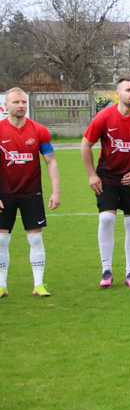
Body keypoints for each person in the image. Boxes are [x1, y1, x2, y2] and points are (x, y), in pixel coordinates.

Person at [81, 78, 130, 288]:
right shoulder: (105, 116)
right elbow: (86, 144)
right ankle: (106, 270)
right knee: (107, 220)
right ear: (118, 94)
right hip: (107, 178)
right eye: (129, 90)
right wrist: (92, 175)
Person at [0, 88, 61, 298]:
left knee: (35, 239)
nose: (21, 106)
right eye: (16, 102)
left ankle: (39, 284)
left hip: (32, 193)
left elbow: (50, 160)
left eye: (24, 102)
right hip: (4, 194)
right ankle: (1, 285)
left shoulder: (39, 130)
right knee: (1, 240)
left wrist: (56, 191)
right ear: (6, 106)